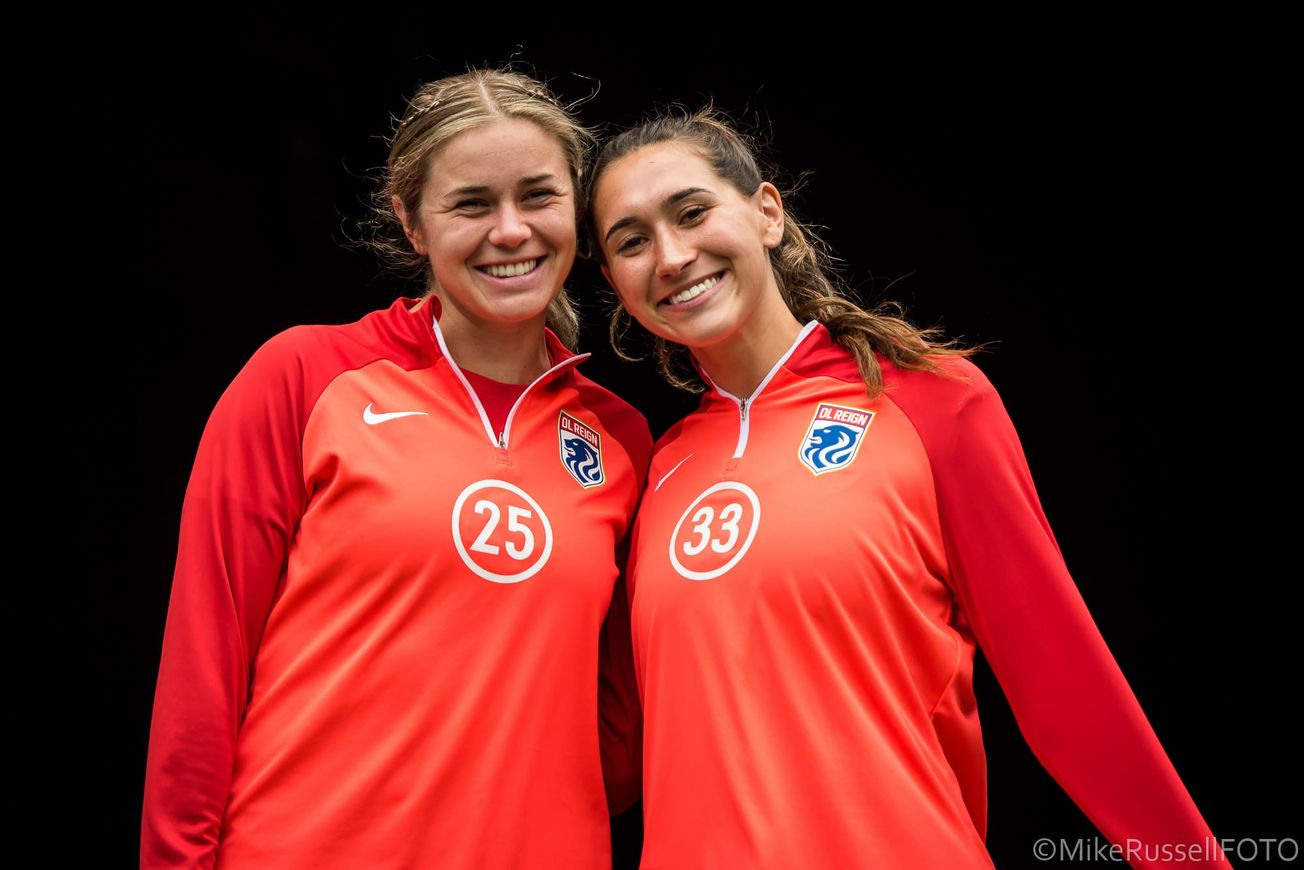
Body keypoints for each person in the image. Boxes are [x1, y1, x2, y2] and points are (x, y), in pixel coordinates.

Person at [587, 108, 1230, 869]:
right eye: (632, 241)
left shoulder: (932, 405)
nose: (670, 255)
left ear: (766, 213)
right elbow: (610, 755)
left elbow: (1065, 687)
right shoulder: (655, 471)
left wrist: (1191, 862)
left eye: (693, 213)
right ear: (612, 281)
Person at [142, 69, 650, 869]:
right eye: (472, 204)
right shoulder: (305, 378)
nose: (510, 231)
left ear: (577, 215)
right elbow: (204, 666)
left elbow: (627, 720)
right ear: (411, 222)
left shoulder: (621, 440)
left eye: (538, 196)